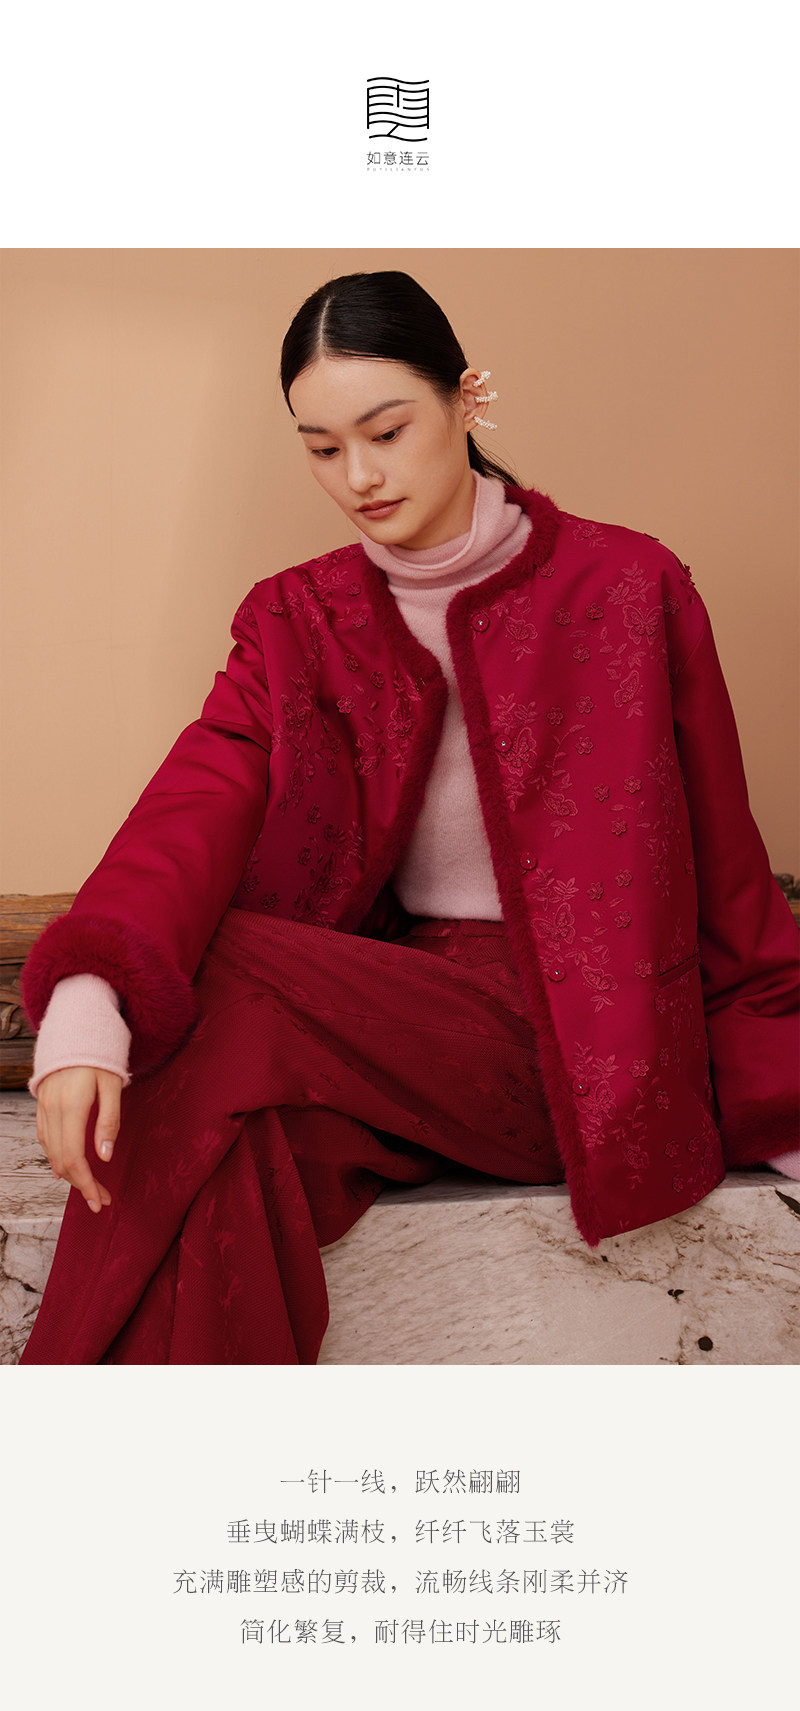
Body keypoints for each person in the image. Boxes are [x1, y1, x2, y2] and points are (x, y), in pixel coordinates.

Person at [20, 269, 800, 1365]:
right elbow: (195, 798)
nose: (359, 476)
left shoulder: (629, 586)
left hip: (580, 1044)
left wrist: (780, 1103)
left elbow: (727, 871)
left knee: (221, 962)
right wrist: (90, 994)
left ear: (465, 399)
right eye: (322, 448)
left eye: (386, 432)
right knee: (226, 1156)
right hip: (383, 1024)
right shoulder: (294, 619)